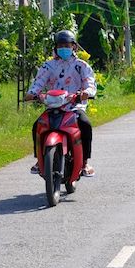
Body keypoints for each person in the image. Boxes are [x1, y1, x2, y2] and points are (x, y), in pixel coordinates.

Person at [26, 30, 97, 176]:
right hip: (53, 105)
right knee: (37, 126)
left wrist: (86, 93)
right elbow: (39, 82)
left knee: (85, 125)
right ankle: (39, 161)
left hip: (74, 106)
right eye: (60, 45)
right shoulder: (48, 66)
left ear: (74, 47)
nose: (63, 48)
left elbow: (89, 82)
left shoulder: (81, 66)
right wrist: (32, 93)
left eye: (67, 45)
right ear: (55, 47)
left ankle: (84, 163)